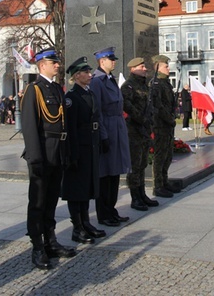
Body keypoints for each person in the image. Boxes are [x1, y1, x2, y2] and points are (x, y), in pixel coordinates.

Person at [21, 47, 76, 270]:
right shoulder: (34, 90)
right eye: (53, 62)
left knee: (52, 199)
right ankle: (37, 246)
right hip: (42, 152)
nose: (57, 65)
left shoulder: (56, 89)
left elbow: (63, 123)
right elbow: (29, 126)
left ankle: (50, 241)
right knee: (38, 202)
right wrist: (35, 157)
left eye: (57, 62)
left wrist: (67, 152)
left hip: (57, 151)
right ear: (42, 65)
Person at [61, 56, 106, 244]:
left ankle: (86, 222)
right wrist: (71, 153)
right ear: (77, 76)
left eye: (89, 72)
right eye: (86, 73)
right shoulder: (72, 98)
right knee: (76, 189)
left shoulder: (89, 93)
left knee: (87, 187)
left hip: (91, 146)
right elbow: (69, 128)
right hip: (79, 146)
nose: (90, 75)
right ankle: (77, 227)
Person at [89, 47, 131, 226]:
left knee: (114, 173)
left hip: (117, 128)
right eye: (110, 59)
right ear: (101, 61)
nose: (114, 61)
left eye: (114, 59)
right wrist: (103, 136)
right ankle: (103, 213)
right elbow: (96, 111)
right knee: (105, 174)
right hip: (107, 128)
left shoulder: (110, 79)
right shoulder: (97, 81)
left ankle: (111, 210)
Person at [121, 57, 159, 211]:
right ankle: (135, 197)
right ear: (132, 69)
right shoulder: (128, 86)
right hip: (134, 130)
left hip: (144, 129)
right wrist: (141, 118)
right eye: (141, 67)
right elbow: (127, 105)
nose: (145, 69)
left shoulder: (144, 85)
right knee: (135, 165)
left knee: (142, 163)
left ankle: (142, 194)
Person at [151, 55, 180, 198]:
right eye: (165, 66)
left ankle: (164, 181)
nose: (168, 68)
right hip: (160, 125)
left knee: (168, 155)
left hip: (168, 125)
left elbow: (169, 104)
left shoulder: (166, 83)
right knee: (160, 156)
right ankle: (158, 186)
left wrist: (174, 113)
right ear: (158, 68)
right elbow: (158, 106)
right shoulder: (156, 83)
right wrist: (169, 119)